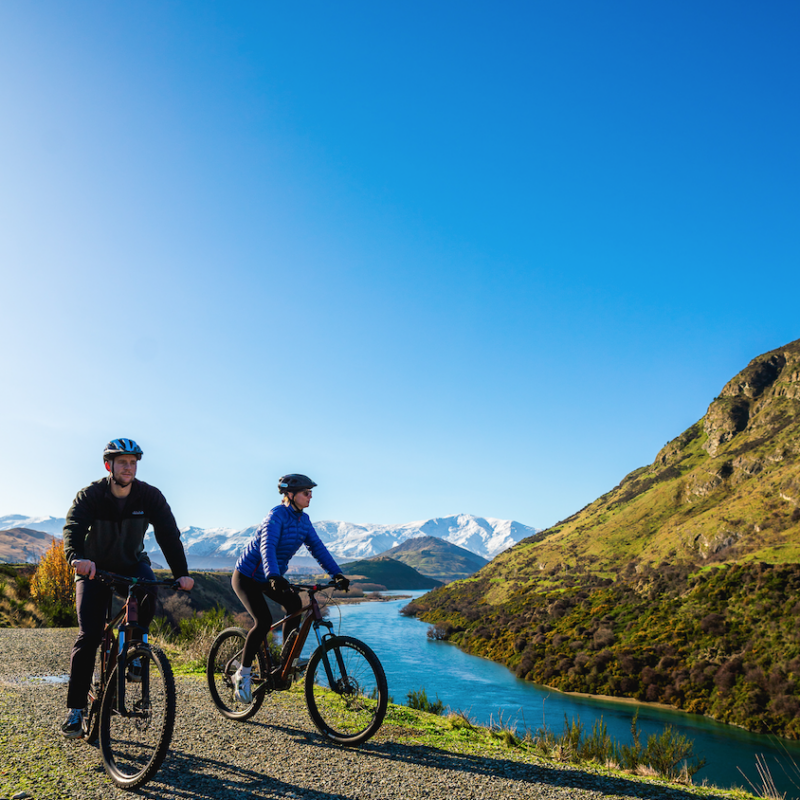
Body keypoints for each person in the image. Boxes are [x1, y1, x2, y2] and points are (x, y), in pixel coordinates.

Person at [61, 438, 194, 738]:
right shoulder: (91, 495)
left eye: (133, 462)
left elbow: (169, 536)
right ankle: (76, 709)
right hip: (93, 568)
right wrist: (77, 558)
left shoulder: (149, 497)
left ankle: (133, 653)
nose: (128, 467)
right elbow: (73, 529)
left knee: (148, 590)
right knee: (90, 635)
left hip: (131, 564)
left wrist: (182, 573)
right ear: (109, 465)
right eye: (122, 462)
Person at [231, 473, 349, 703]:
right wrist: (274, 574)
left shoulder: (304, 521)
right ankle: (242, 674)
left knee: (295, 604)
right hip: (247, 577)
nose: (311, 496)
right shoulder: (276, 516)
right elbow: (268, 547)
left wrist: (337, 574)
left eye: (311, 492)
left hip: (271, 577)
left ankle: (284, 663)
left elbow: (318, 548)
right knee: (263, 621)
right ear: (290, 495)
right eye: (307, 492)